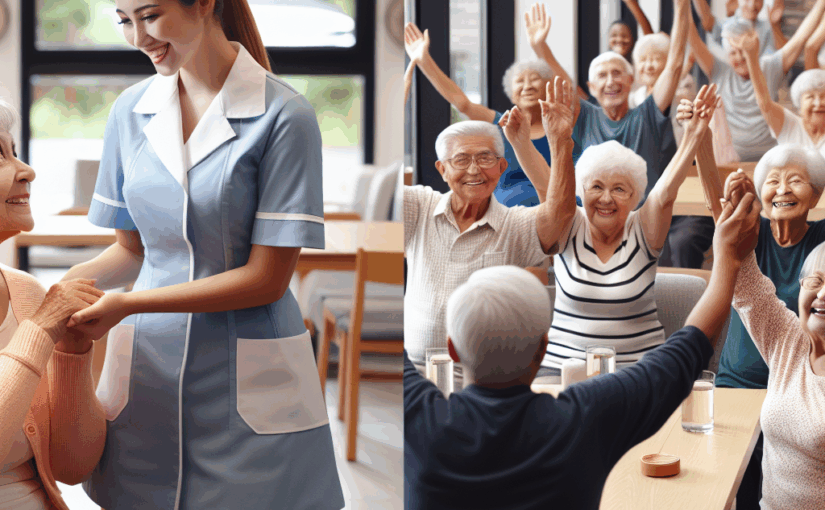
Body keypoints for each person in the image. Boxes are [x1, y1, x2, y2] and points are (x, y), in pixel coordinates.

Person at [57, 1, 344, 508]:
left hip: (250, 368)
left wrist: (127, 306)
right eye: (124, 20)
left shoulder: (284, 116)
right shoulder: (130, 110)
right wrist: (53, 291)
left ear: (205, 4)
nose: (137, 37)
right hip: (148, 368)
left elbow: (266, 280)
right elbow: (130, 251)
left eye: (149, 16)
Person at [403, 187, 762, 509]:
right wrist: (727, 257)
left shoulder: (417, 416)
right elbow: (688, 347)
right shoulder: (585, 418)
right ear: (543, 348)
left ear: (452, 350)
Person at [519, 85, 722, 369]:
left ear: (635, 197)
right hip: (561, 371)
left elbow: (665, 193)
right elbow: (545, 185)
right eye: (597, 187)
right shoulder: (568, 221)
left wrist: (693, 135)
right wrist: (554, 139)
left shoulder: (643, 227)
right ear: (582, 190)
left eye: (619, 189)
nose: (605, 198)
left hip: (638, 376)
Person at [403, 78, 578, 370]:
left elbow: (560, 215)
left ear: (502, 167)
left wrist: (561, 142)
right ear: (442, 170)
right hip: (415, 374)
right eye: (461, 160)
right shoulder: (421, 207)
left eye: (485, 158)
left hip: (484, 378)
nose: (474, 170)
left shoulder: (514, 223)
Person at [696, 150, 825, 509]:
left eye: (796, 180)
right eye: (813, 282)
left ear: (817, 194)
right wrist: (700, 142)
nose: (783, 189)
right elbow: (746, 282)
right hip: (746, 386)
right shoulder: (789, 339)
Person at [0, 97, 107, 510]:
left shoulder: (26, 293)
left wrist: (71, 353)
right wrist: (40, 332)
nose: (27, 171)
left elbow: (71, 466)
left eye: (15, 152)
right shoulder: (37, 315)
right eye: (0, 154)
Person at [404, 21, 554, 207]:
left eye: (535, 79)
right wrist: (423, 60)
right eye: (520, 81)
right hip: (505, 218)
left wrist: (541, 45)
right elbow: (462, 103)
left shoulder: (560, 129)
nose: (527, 86)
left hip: (553, 216)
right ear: (511, 91)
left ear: (548, 87)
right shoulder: (502, 124)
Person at [688, 0, 825, 161]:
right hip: (732, 160)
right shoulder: (719, 69)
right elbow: (692, 38)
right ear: (727, 54)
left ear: (754, 47)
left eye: (744, 51)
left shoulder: (769, 67)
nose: (740, 57)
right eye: (734, 53)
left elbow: (801, 37)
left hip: (770, 159)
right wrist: (681, 7)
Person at [734, 29, 825, 159]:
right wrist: (751, 58)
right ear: (799, 104)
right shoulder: (790, 125)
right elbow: (765, 103)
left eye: (823, 97)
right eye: (810, 97)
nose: (818, 103)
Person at [691, 0, 787, 56]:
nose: (752, 5)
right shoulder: (729, 26)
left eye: (757, 0)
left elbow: (784, 56)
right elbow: (707, 22)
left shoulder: (768, 27)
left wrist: (775, 25)